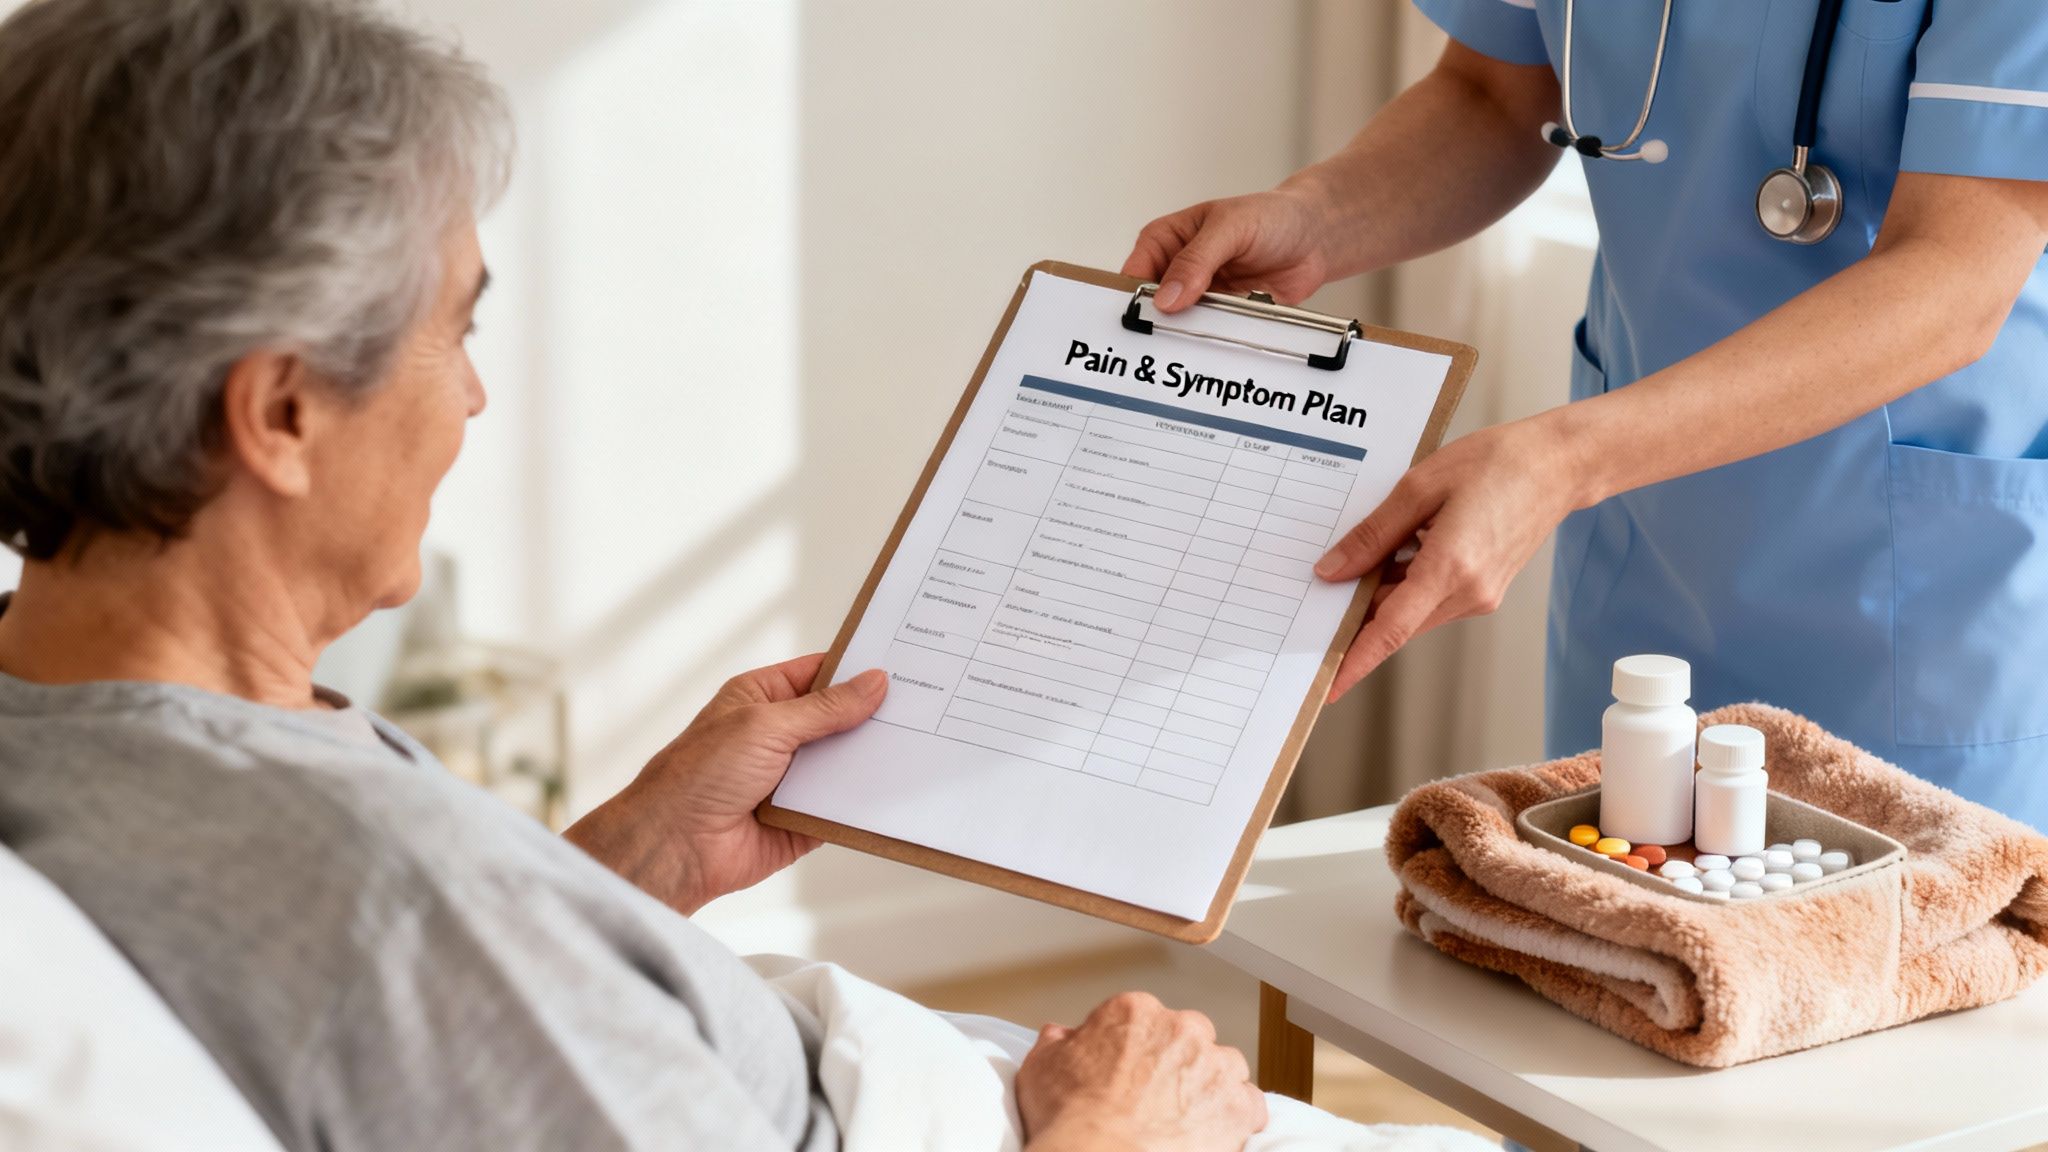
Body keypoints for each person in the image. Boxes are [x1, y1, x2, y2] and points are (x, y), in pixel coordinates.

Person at [0, 2, 1489, 1150]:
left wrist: (637, 857)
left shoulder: (71, 725)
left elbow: (436, 1017)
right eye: (455, 327)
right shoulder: (353, 888)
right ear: (278, 414)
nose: (472, 400)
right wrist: (1118, 1132)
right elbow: (400, 967)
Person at [1126, 0, 2048, 830]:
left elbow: (1957, 272)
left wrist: (1563, 461)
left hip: (1907, 589)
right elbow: (1495, 91)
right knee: (1600, 951)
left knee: (1891, 972)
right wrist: (1315, 219)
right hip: (1643, 560)